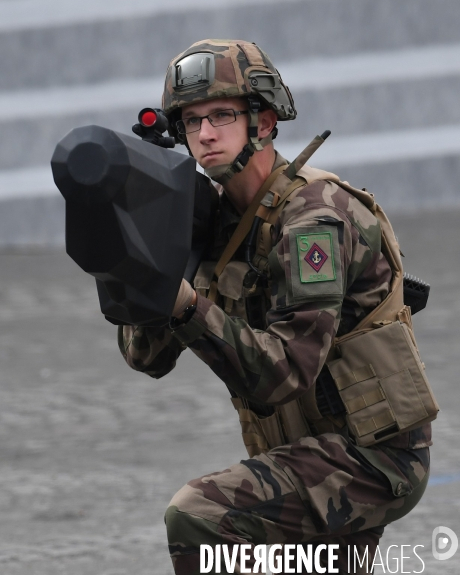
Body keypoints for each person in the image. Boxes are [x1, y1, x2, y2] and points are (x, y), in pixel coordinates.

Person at [118, 39, 434, 574]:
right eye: (191, 122)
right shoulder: (211, 220)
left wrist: (186, 304)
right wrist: (145, 267)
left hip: (370, 459)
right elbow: (145, 358)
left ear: (263, 122)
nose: (205, 134)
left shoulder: (316, 218)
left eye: (221, 115)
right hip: (304, 447)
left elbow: (283, 373)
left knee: (199, 516)